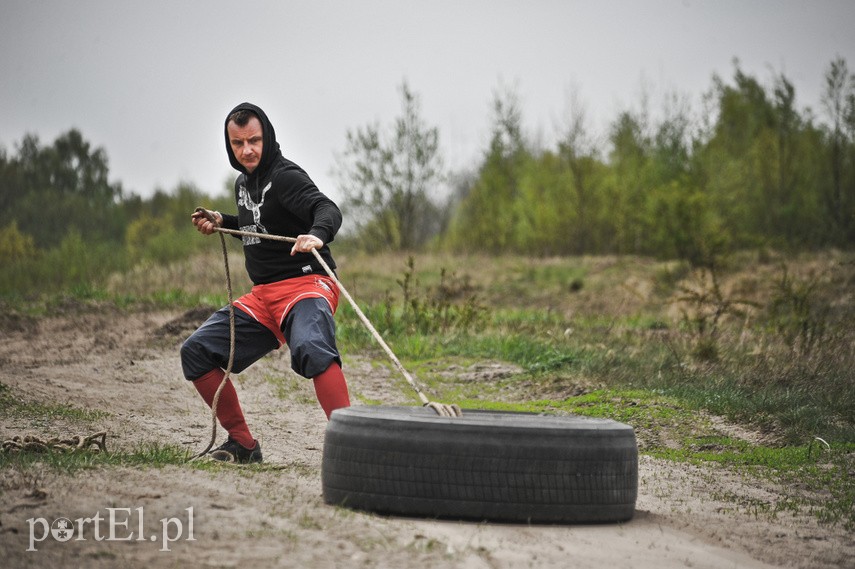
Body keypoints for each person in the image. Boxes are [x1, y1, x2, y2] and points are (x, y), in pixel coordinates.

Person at [181, 102, 351, 464]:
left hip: (307, 286)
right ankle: (243, 445)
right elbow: (259, 231)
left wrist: (317, 235)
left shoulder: (286, 176)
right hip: (264, 299)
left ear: (267, 137)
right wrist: (221, 220)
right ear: (229, 145)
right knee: (195, 352)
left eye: (254, 141)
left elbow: (328, 209)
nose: (247, 150)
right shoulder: (243, 183)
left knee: (312, 347)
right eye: (238, 143)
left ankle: (353, 448)